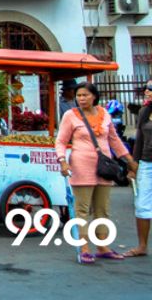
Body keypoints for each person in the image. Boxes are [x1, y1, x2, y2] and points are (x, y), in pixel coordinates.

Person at [56, 81, 137, 264]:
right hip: (80, 166)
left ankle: (102, 246)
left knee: (102, 209)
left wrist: (129, 160)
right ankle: (84, 249)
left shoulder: (104, 114)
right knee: (82, 209)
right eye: (78, 95)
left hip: (104, 167)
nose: (81, 98)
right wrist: (62, 160)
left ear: (94, 96)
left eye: (85, 95)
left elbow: (114, 140)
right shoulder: (71, 115)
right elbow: (60, 141)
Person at [124, 79, 152, 258]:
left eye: (151, 89)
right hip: (147, 162)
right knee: (142, 205)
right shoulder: (144, 111)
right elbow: (139, 139)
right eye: (146, 88)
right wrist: (134, 166)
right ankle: (142, 246)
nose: (147, 92)